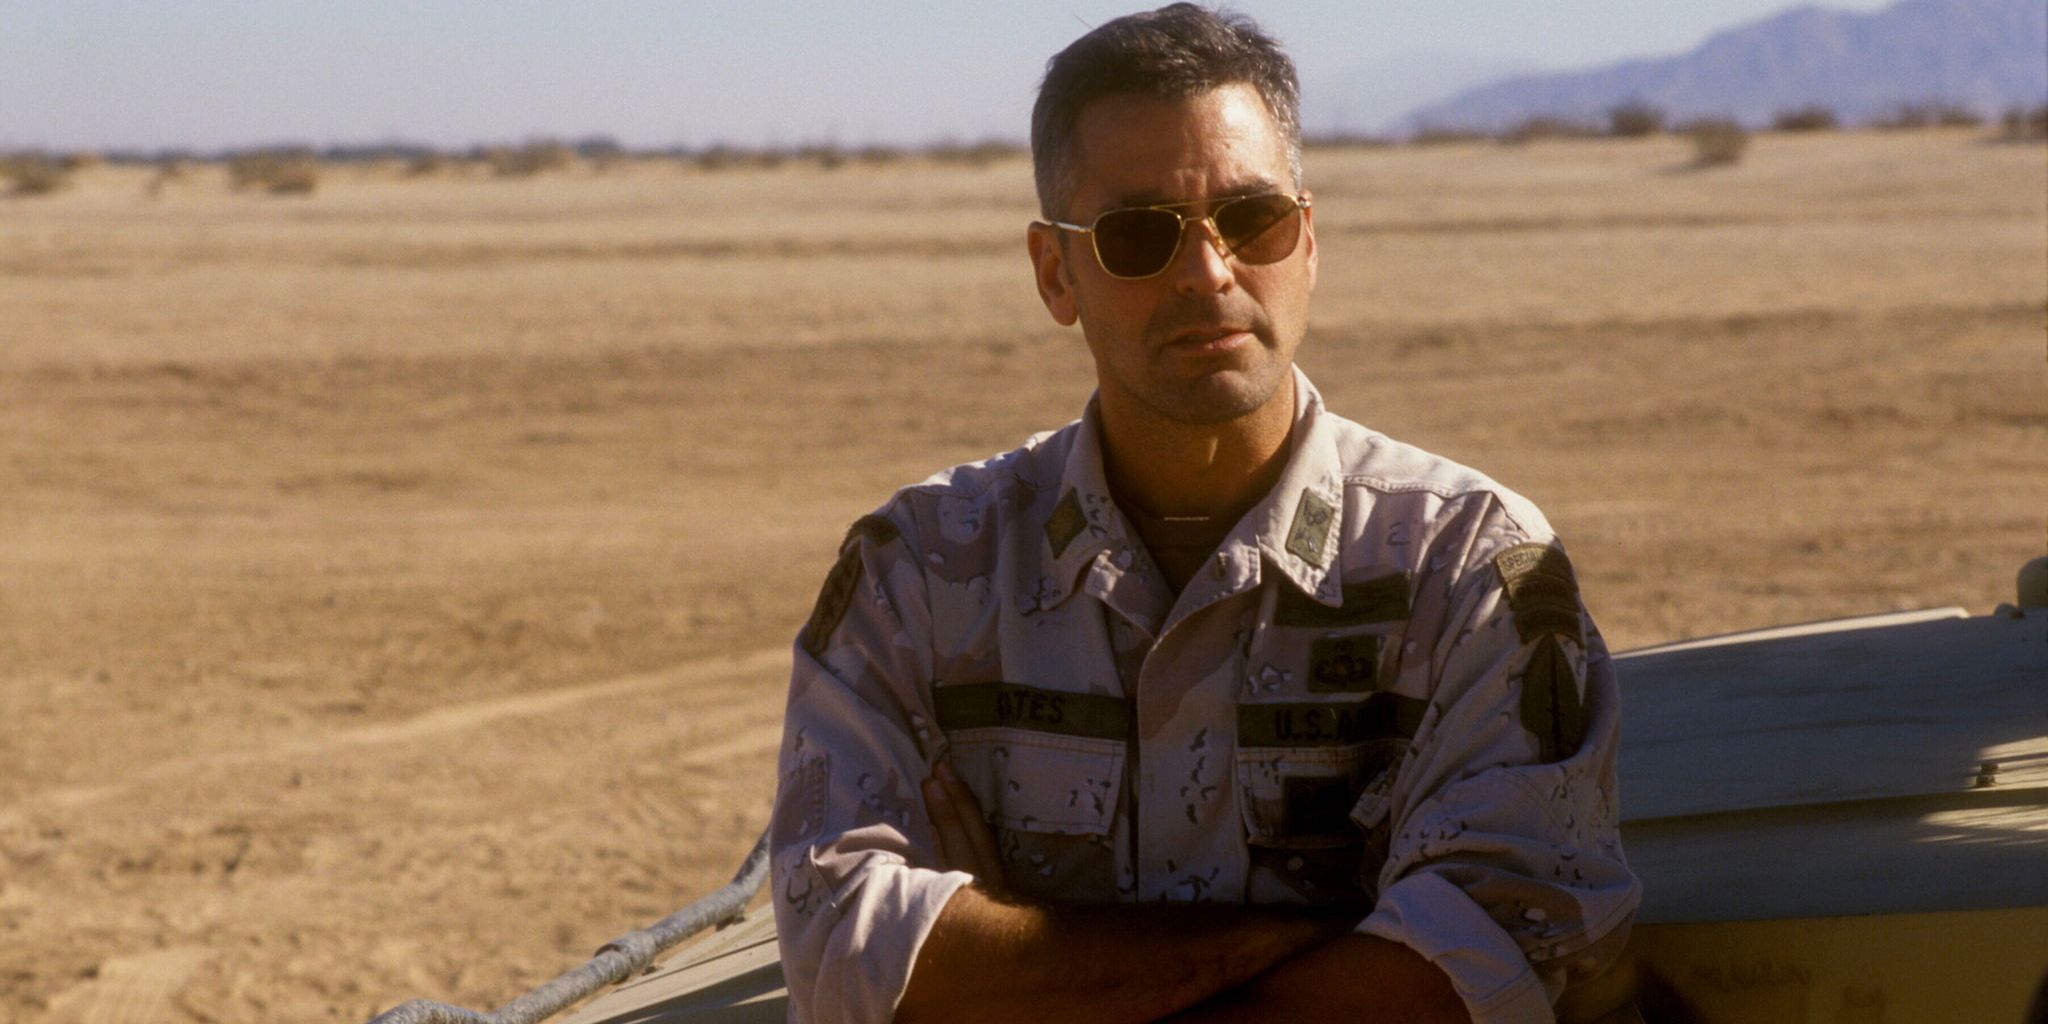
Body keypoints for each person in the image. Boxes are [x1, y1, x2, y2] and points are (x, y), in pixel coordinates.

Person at [768, 6, 1639, 1022]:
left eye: (1250, 218)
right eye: (1139, 235)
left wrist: (1017, 955)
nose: (1206, 271)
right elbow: (841, 944)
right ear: (1056, 273)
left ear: (1305, 241)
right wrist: (1333, 935)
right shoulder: (918, 572)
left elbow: (1499, 948)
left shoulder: (1471, 567)